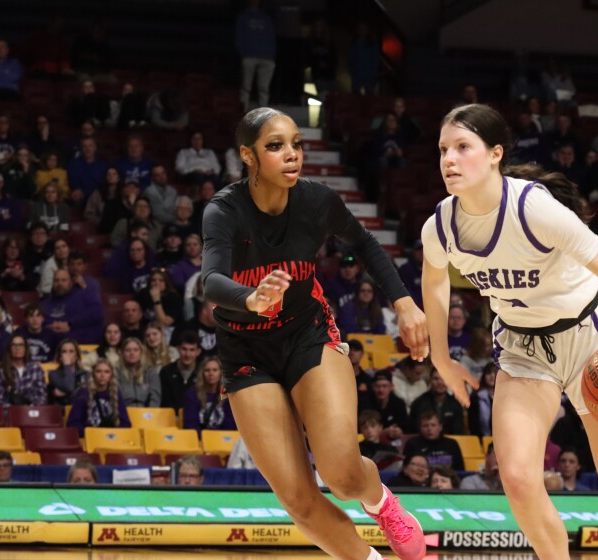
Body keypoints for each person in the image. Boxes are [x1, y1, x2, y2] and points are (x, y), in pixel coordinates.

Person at [420, 104, 598, 559]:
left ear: (495, 154)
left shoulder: (536, 211)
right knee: (517, 477)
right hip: (522, 346)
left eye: (462, 148)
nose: (449, 159)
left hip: (591, 340)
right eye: (443, 149)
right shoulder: (442, 226)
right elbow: (434, 281)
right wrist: (441, 357)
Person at [201, 107, 428, 560]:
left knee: (342, 475)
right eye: (275, 146)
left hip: (307, 333)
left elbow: (363, 242)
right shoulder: (223, 211)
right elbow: (210, 281)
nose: (291, 155)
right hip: (247, 351)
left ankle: (381, 502)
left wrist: (403, 301)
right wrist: (250, 298)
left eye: (296, 144)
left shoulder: (317, 200)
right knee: (299, 500)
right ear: (247, 155)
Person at [67, 359, 131, 437]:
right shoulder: (83, 392)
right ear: (93, 374)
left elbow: (126, 423)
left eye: (106, 372)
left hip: (112, 439)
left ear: (111, 375)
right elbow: (73, 423)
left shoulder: (116, 392)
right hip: (90, 438)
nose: (102, 375)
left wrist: (114, 434)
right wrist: (91, 434)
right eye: (98, 371)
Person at [41, 269, 105, 344]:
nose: (59, 283)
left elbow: (98, 312)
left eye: (64, 280)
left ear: (71, 282)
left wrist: (70, 324)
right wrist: (54, 326)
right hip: (53, 346)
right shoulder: (45, 303)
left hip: (83, 345)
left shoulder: (84, 295)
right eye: (56, 280)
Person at [0, 335, 47, 406]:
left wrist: (29, 408)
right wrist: (16, 410)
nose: (17, 348)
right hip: (8, 413)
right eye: (14, 345)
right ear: (9, 349)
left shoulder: (36, 369)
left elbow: (41, 396)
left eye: (21, 345)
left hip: (31, 412)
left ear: (25, 348)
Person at [182, 356, 234, 434]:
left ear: (221, 372)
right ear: (202, 373)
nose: (211, 373)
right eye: (207, 370)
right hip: (199, 440)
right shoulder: (192, 394)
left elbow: (230, 423)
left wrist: (219, 438)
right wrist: (206, 438)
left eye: (215, 370)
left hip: (223, 440)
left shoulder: (228, 394)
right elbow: (191, 423)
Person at [409, 369, 465, 435]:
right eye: (436, 379)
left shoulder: (455, 405)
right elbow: (413, 432)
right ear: (430, 380)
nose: (440, 382)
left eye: (444, 379)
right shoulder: (418, 404)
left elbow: (458, 433)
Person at [159, 331, 202, 411]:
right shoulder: (166, 371)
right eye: (184, 349)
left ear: (198, 352)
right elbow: (163, 401)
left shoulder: (203, 372)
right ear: (178, 349)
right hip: (171, 419)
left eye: (192, 350)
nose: (187, 354)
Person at [116, 337, 160, 408]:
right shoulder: (116, 373)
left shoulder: (151, 372)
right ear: (122, 353)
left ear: (141, 353)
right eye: (128, 350)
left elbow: (155, 398)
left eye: (136, 350)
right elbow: (116, 399)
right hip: (124, 413)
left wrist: (149, 414)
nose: (132, 353)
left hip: (147, 414)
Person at [47, 339, 89, 407]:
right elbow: (69, 387)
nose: (67, 354)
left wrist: (67, 393)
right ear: (60, 356)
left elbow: (83, 396)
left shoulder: (86, 374)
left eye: (71, 351)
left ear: (76, 356)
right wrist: (67, 365)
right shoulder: (53, 374)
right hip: (61, 412)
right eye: (64, 351)